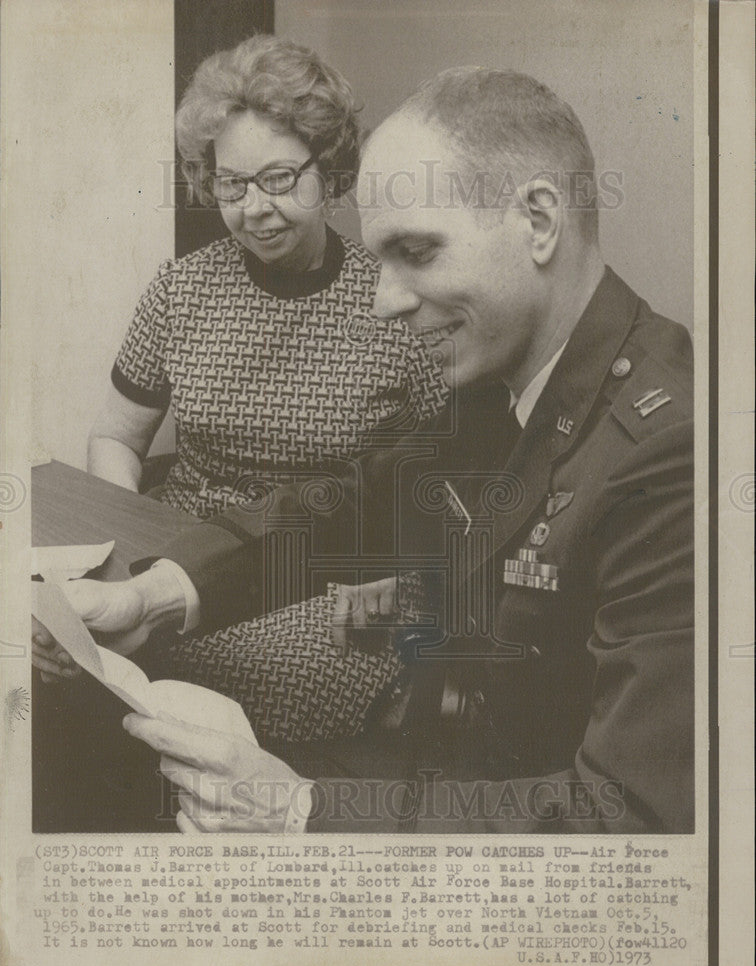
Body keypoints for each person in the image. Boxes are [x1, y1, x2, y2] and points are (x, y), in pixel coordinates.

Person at [35, 68, 694, 834]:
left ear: (539, 220)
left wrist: (303, 810)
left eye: (417, 252)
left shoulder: (667, 454)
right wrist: (155, 595)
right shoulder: (501, 383)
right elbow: (346, 507)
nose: (384, 300)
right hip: (455, 783)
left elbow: (630, 820)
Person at [87, 34, 447, 518]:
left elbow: (448, 469)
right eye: (233, 184)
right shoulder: (179, 291)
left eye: (278, 178)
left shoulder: (397, 298)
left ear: (329, 169)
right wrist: (135, 526)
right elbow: (115, 438)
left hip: (331, 564)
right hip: (185, 551)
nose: (254, 208)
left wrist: (394, 565)